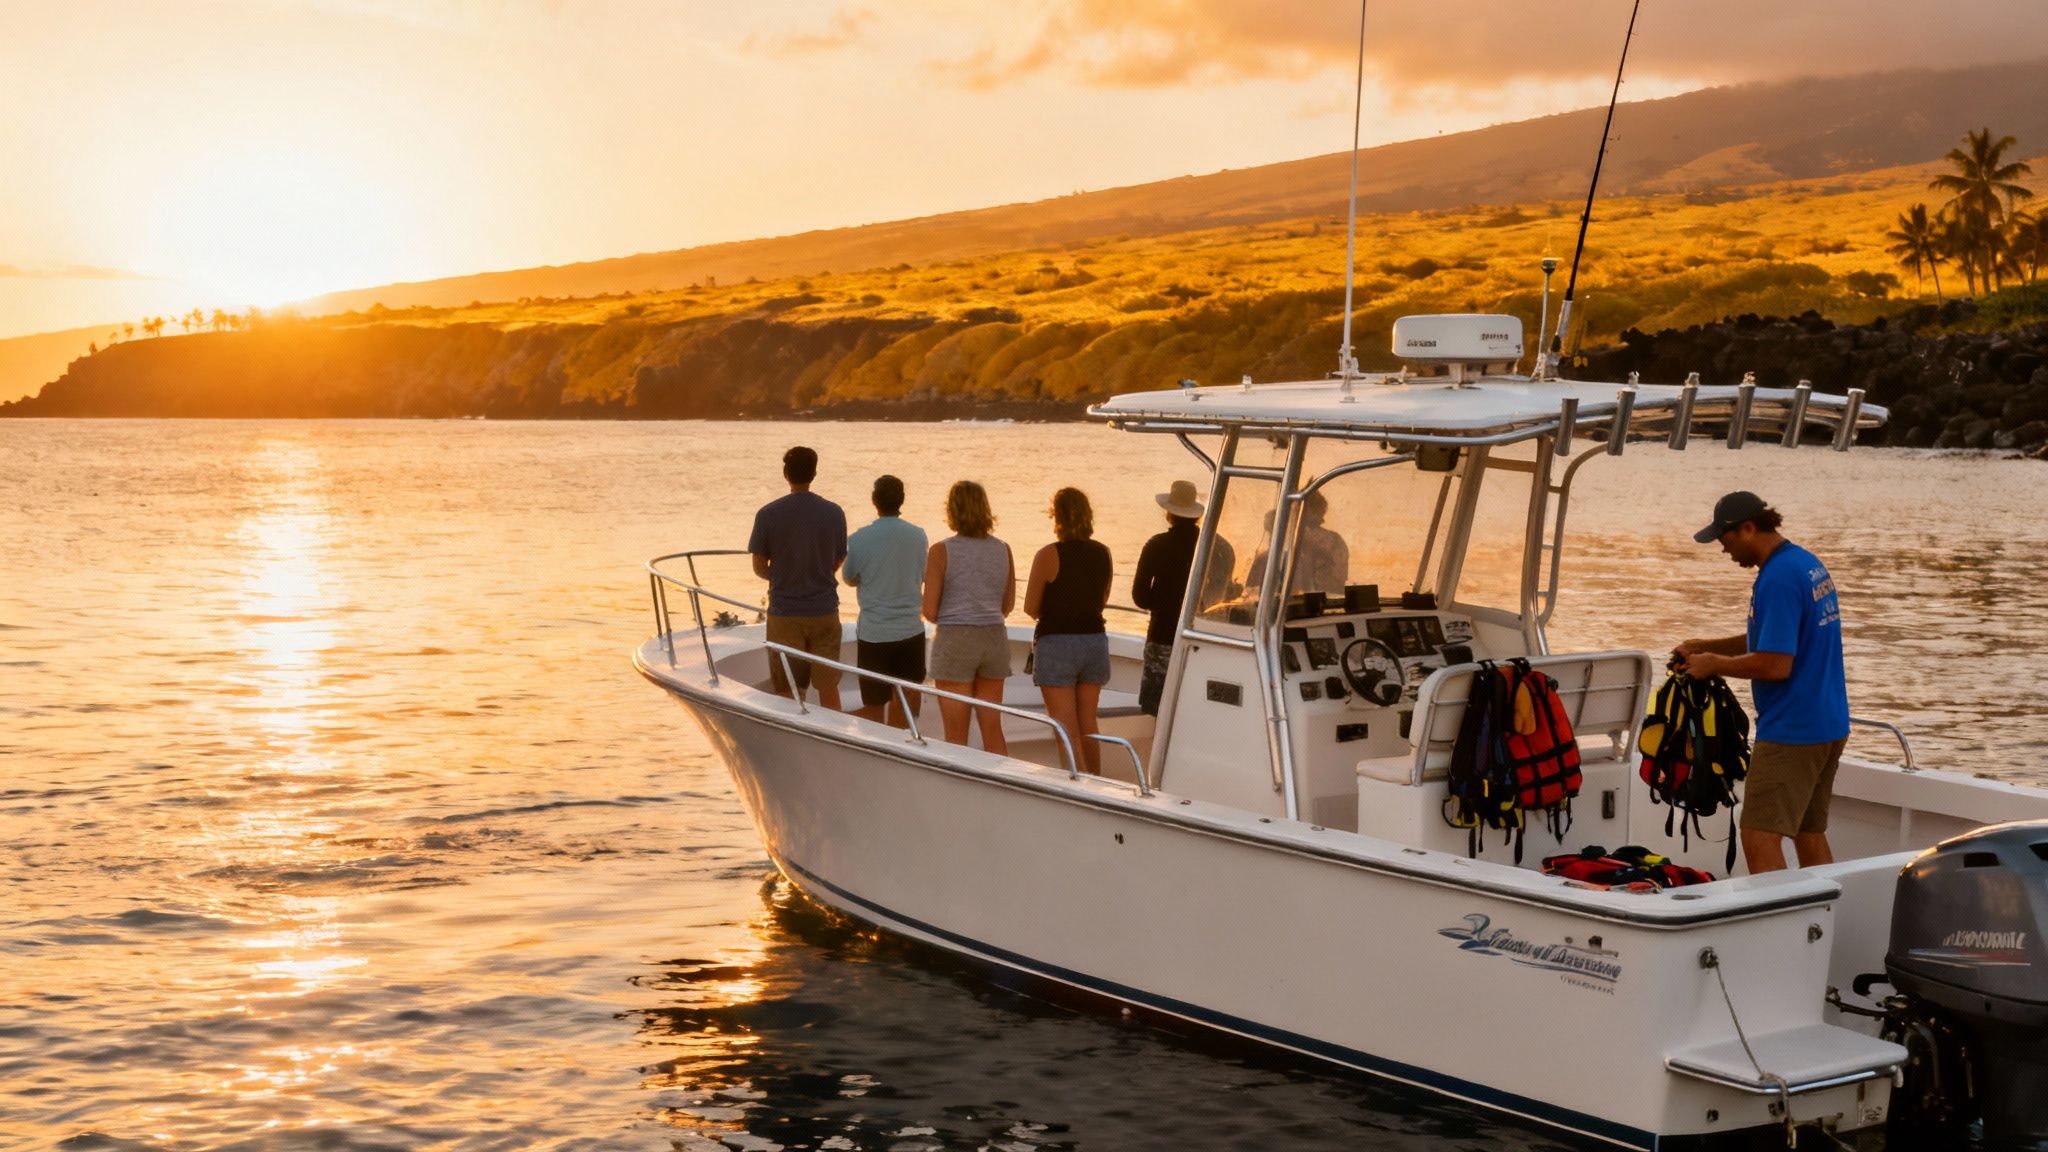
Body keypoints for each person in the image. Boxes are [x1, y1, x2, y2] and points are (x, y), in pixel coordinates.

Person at [1673, 491, 1849, 874]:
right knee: (1808, 832)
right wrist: (1704, 648)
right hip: (1828, 723)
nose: (1724, 550)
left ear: (1749, 528)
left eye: (1726, 540)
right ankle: (1822, 923)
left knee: (1758, 836)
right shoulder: (1803, 563)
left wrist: (1714, 665)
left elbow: (1775, 665)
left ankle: (1781, 933)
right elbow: (1770, 639)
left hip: (1793, 731)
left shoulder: (1778, 580)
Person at [748, 446, 848, 710]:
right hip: (825, 611)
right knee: (829, 687)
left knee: (788, 690)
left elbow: (758, 566)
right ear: (814, 473)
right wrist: (815, 573)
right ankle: (833, 739)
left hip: (785, 613)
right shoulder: (834, 513)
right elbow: (838, 560)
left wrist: (784, 577)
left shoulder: (768, 514)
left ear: (785, 474)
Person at [1025, 487, 1114, 774]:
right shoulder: (1104, 553)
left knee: (1065, 728)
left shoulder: (1049, 554)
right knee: (1088, 723)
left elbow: (1030, 607)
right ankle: (1097, 782)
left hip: (1058, 643)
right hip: (1094, 642)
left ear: (1056, 517)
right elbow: (1102, 600)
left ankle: (1078, 786)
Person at [922, 481, 1016, 753]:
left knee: (956, 736)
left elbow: (930, 611)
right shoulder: (1003, 549)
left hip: (956, 640)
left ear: (952, 510)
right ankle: (1003, 786)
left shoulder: (941, 551)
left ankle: (959, 793)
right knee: (992, 728)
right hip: (994, 639)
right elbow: (1007, 605)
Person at [842, 474, 928, 728]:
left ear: (874, 501)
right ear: (902, 500)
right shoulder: (918, 536)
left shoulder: (858, 539)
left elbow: (848, 577)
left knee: (874, 706)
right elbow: (923, 574)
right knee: (905, 704)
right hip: (911, 632)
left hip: (874, 635)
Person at [1131, 479, 1205, 715]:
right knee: (1193, 706)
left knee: (1155, 707)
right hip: (1201, 637)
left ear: (1169, 513)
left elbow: (1140, 597)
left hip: (1163, 635)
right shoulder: (1215, 545)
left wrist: (1164, 604)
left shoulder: (1157, 545)